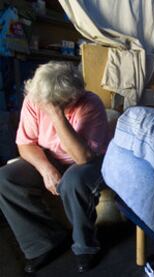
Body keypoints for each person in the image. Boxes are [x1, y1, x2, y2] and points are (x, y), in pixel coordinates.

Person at [0, 61, 110, 273]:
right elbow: (25, 143)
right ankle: (43, 243)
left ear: (71, 98)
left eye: (52, 104)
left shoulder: (90, 103)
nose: (43, 105)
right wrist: (45, 169)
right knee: (5, 179)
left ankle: (86, 246)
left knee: (73, 181)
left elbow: (82, 157)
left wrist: (56, 115)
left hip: (89, 161)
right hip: (49, 157)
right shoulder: (35, 100)